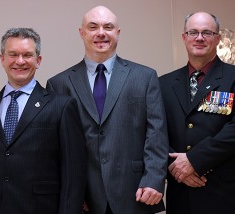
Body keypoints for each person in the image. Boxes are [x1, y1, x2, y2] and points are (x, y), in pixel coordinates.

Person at [47, 5, 169, 214]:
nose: (101, 33)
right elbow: (55, 147)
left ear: (118, 33)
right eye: (93, 27)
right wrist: (70, 193)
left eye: (108, 27)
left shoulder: (145, 77)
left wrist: (154, 179)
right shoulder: (59, 84)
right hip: (83, 198)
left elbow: (156, 132)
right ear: (81, 33)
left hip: (136, 191)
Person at [0, 28, 86, 214]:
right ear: (2, 59)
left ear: (38, 60)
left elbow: (73, 175)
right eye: (13, 54)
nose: (20, 61)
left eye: (27, 55)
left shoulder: (61, 106)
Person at [159, 12, 235, 214]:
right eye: (193, 32)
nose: (199, 38)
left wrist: (193, 160)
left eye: (207, 32)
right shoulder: (163, 83)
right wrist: (177, 167)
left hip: (225, 193)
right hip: (181, 191)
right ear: (184, 37)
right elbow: (156, 132)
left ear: (218, 38)